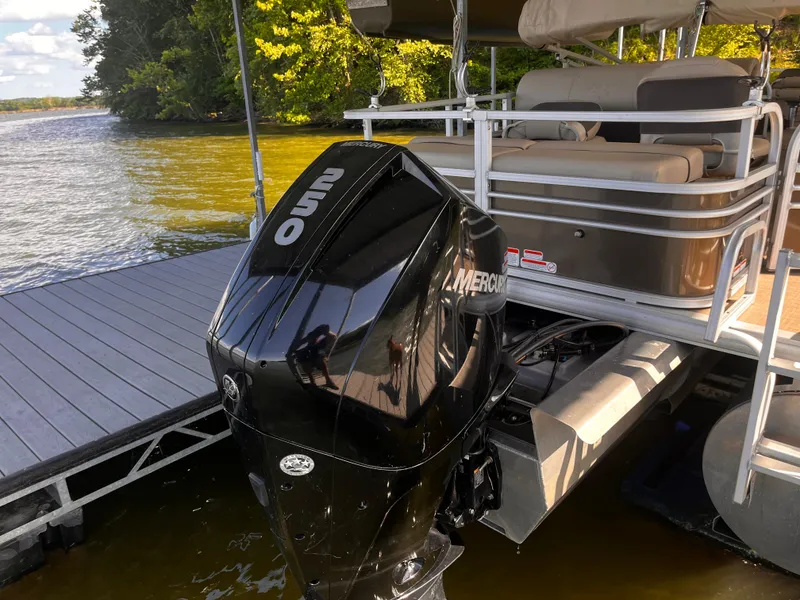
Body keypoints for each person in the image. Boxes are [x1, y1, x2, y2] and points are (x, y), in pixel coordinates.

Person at [294, 324, 339, 389]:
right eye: (311, 339)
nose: (314, 340)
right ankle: (312, 382)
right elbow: (299, 351)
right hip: (308, 362)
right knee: (304, 362)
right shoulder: (305, 349)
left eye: (315, 338)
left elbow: (333, 337)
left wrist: (326, 331)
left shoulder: (319, 344)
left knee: (321, 358)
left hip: (318, 361)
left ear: (317, 338)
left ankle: (328, 381)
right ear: (308, 340)